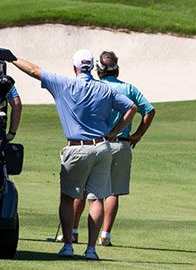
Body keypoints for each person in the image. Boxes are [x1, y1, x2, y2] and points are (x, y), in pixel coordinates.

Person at [10, 49, 136, 260]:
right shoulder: (105, 89)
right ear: (92, 68)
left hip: (77, 149)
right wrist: (114, 132)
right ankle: (91, 250)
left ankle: (68, 245)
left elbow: (33, 70)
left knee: (68, 198)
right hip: (102, 148)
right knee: (96, 199)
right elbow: (131, 108)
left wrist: (10, 58)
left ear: (75, 67)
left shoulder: (64, 84)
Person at [71, 51, 157, 246]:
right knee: (112, 192)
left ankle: (73, 231)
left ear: (98, 70)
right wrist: (138, 134)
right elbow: (149, 111)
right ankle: (105, 236)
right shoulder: (129, 88)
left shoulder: (95, 87)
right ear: (117, 68)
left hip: (94, 143)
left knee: (83, 189)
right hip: (121, 144)